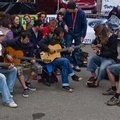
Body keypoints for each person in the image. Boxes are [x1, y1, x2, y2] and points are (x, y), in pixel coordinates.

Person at [38, 27, 82, 92]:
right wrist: (48, 49)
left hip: (56, 58)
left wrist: (68, 51)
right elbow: (40, 43)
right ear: (55, 35)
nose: (61, 38)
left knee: (64, 64)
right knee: (65, 60)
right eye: (60, 37)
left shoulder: (61, 40)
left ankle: (65, 85)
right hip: (47, 58)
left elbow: (61, 51)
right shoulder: (48, 37)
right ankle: (72, 75)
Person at [2, 30, 42, 98]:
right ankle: (25, 88)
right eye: (26, 39)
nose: (28, 41)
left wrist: (32, 59)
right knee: (19, 70)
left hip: (25, 60)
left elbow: (31, 55)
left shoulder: (30, 45)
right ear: (21, 38)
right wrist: (7, 55)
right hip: (15, 61)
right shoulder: (14, 41)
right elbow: (2, 44)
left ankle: (28, 82)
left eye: (29, 39)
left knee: (38, 68)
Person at [86, 23, 118, 87]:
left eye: (100, 34)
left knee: (103, 67)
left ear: (103, 32)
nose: (99, 36)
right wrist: (93, 45)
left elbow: (112, 52)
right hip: (101, 55)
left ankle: (97, 81)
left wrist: (100, 53)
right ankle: (94, 76)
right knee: (90, 59)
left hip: (110, 58)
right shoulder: (99, 36)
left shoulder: (113, 38)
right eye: (98, 34)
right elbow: (94, 42)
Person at [63, 0, 87, 71]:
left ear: (73, 8)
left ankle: (76, 64)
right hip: (69, 32)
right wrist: (65, 25)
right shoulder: (67, 13)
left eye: (68, 9)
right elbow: (64, 20)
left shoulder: (81, 13)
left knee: (77, 49)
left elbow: (84, 25)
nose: (67, 10)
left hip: (78, 33)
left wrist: (83, 35)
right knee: (68, 49)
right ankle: (67, 64)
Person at [0, 30, 17, 108]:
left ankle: (8, 91)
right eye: (1, 36)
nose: (2, 37)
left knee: (14, 70)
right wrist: (7, 66)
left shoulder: (1, 45)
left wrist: (7, 55)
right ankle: (7, 100)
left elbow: (4, 52)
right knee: (2, 77)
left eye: (2, 36)